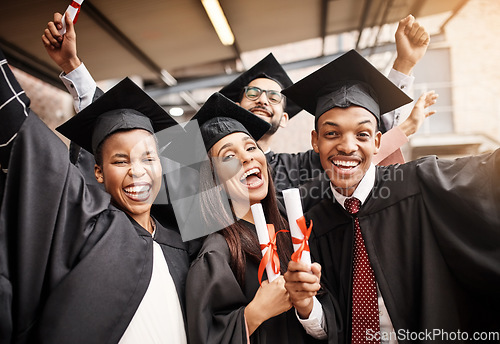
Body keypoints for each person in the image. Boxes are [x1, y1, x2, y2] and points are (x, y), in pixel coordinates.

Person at [41, 13, 435, 196]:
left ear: (285, 118)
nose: (264, 99)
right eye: (253, 93)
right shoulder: (195, 160)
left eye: (274, 96)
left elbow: (355, 149)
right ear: (233, 103)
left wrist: (402, 66)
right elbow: (121, 135)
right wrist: (74, 68)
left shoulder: (300, 167)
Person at [282, 49, 500, 343]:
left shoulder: (420, 183)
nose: (347, 146)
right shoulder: (312, 226)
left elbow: (487, 174)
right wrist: (306, 305)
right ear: (315, 141)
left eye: (361, 134)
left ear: (377, 141)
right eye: (332, 134)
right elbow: (329, 326)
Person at [0, 55, 189, 344]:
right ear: (98, 172)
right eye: (121, 161)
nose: (137, 171)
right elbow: (31, 144)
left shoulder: (184, 244)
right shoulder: (89, 228)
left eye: (149, 158)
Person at [183, 92, 340, 343]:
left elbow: (330, 328)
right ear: (213, 179)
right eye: (229, 156)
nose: (246, 157)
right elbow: (206, 335)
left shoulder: (294, 230)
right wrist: (254, 314)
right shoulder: (217, 254)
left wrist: (306, 306)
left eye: (250, 147)